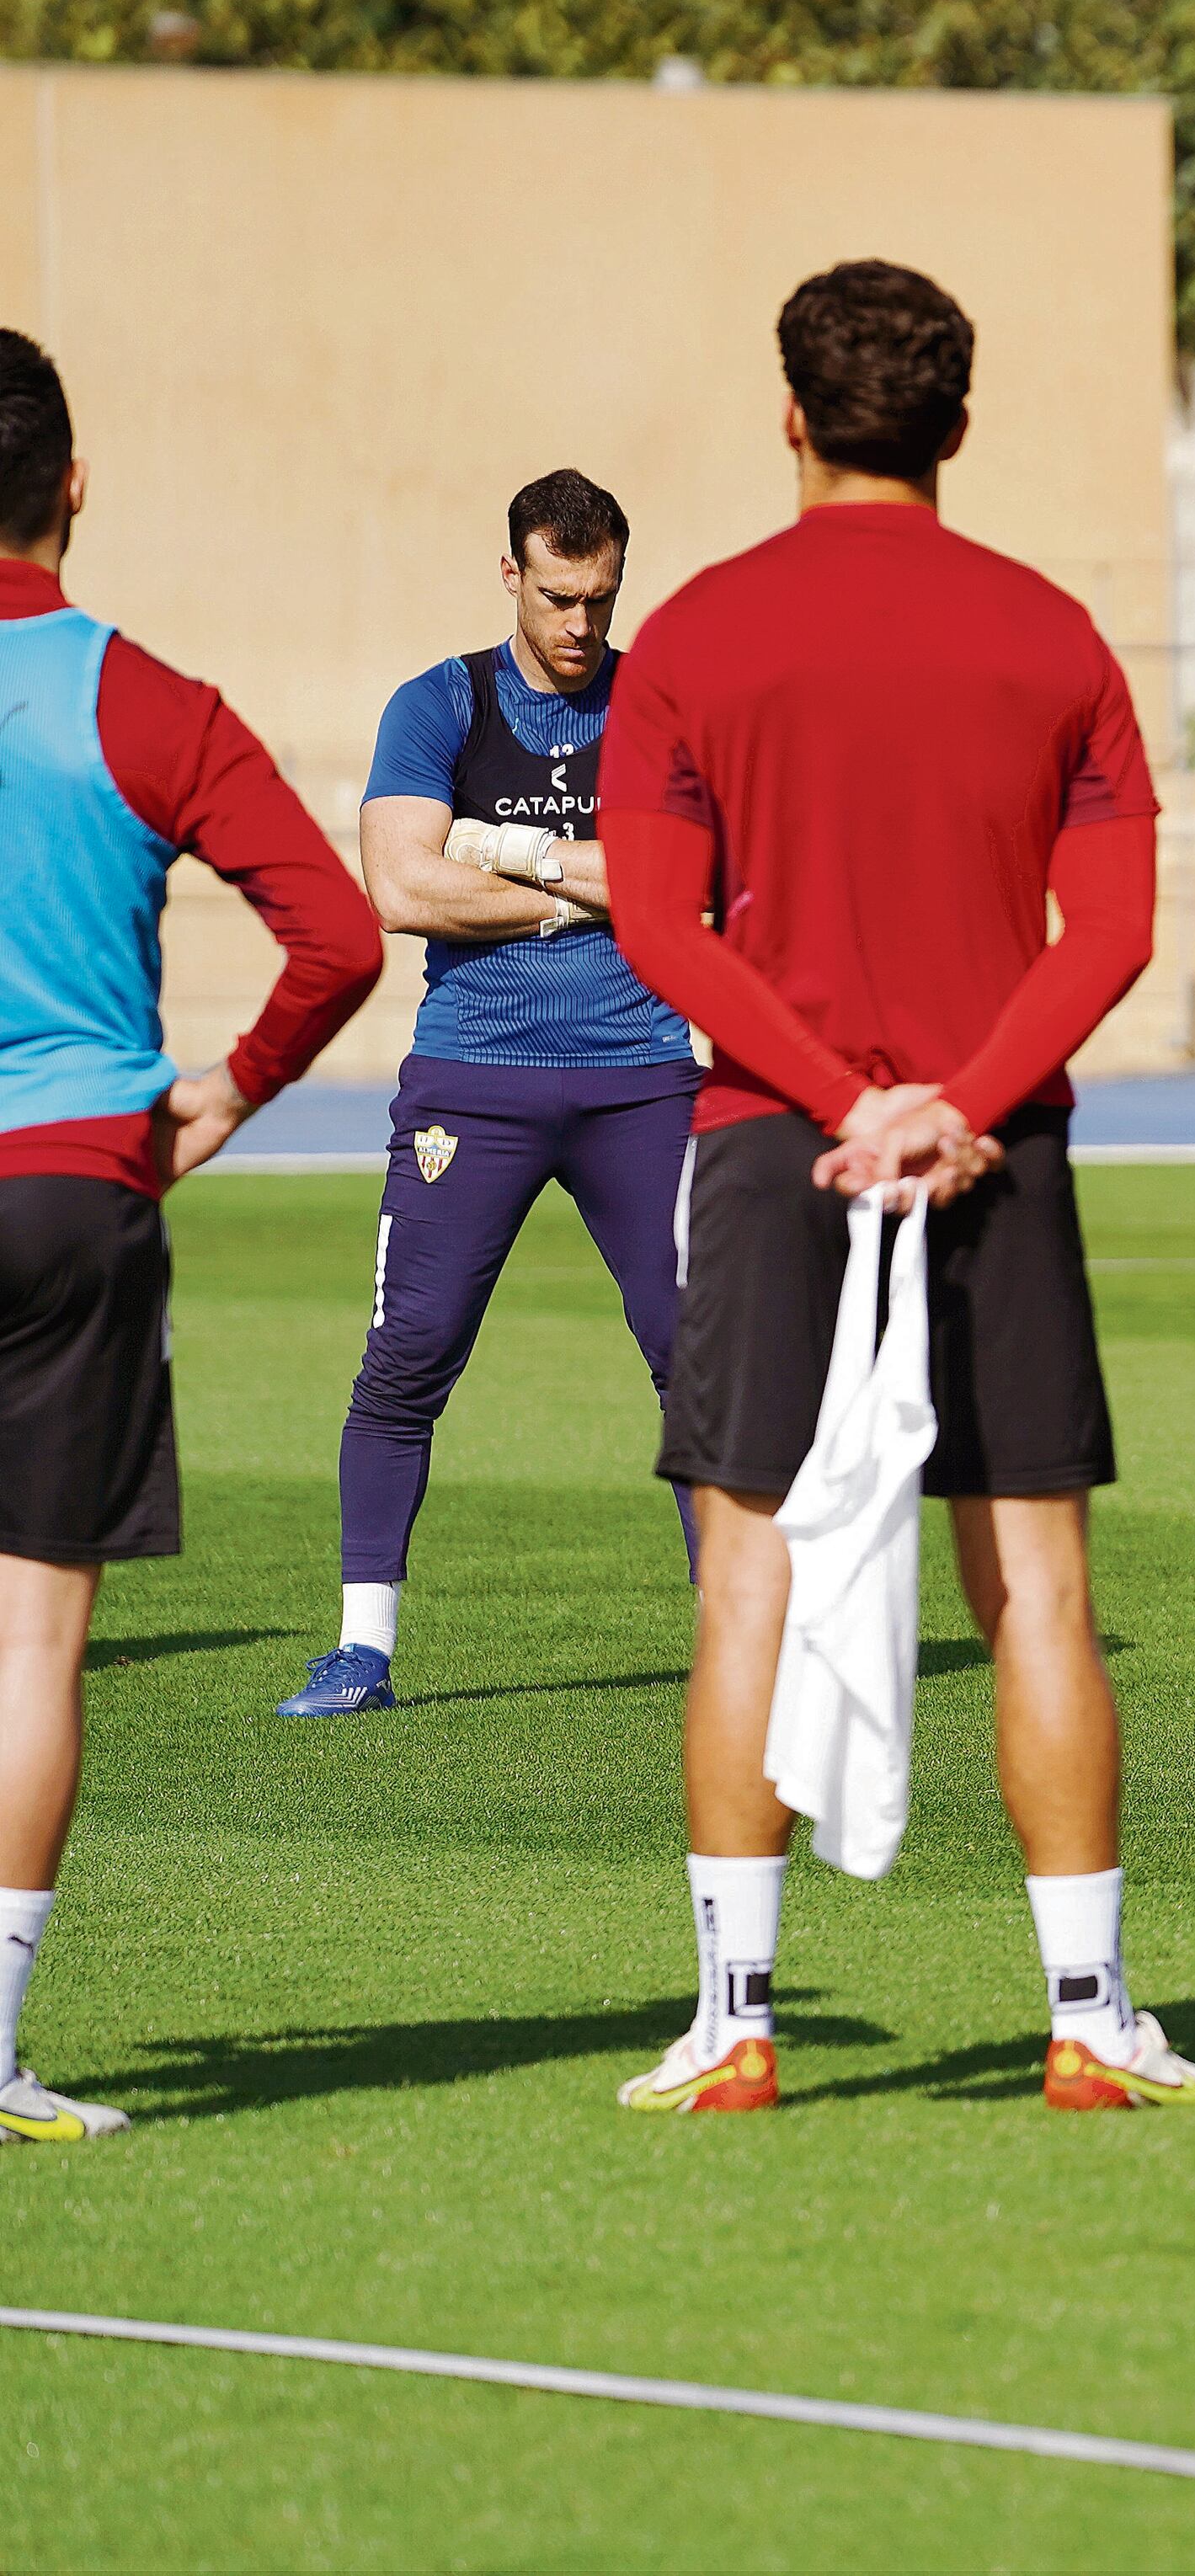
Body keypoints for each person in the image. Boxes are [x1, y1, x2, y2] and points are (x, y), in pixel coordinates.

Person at [599, 261, 1195, 2115]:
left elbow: (653, 923)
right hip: (993, 1155)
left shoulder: (696, 635)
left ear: (791, 414)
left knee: (745, 1582)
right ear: (954, 426)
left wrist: (839, 1098)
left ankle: (736, 2024)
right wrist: (954, 1103)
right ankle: (1088, 2017)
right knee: (1035, 1582)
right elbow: (1108, 930)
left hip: (774, 1149)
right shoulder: (1054, 636)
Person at [0, 328, 381, 2137]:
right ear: (74, 486)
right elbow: (342, 933)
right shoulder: (148, 700)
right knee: (33, 1646)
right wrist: (225, 1089)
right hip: (77, 1188)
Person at [282, 470, 703, 1720]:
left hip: (643, 1076)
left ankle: (746, 1640)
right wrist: (586, 881)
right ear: (511, 574)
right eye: (561, 596)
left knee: (702, 1355)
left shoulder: (660, 708)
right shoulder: (440, 704)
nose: (582, 625)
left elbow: (689, 885)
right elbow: (403, 891)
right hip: (477, 1075)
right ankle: (361, 1651)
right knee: (407, 1356)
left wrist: (502, 849)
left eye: (604, 599)